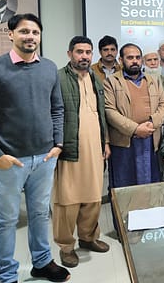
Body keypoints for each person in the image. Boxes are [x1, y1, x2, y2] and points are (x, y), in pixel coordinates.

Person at [0, 13, 70, 283]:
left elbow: (57, 108)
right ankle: (7, 275)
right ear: (11, 34)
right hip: (9, 160)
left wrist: (58, 144)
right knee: (6, 220)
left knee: (39, 213)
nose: (30, 37)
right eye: (24, 31)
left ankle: (42, 262)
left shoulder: (48, 67)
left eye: (35, 32)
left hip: (45, 158)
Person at [54, 36, 111, 268]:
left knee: (93, 197)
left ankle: (88, 238)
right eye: (79, 52)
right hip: (69, 147)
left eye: (88, 52)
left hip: (95, 147)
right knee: (67, 200)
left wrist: (105, 141)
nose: (84, 56)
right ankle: (66, 247)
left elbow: (100, 113)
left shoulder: (96, 78)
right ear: (70, 54)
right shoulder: (58, 78)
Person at [104, 43, 164, 190]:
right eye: (130, 58)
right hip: (124, 141)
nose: (135, 61)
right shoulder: (111, 82)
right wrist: (135, 129)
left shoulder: (153, 80)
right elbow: (109, 111)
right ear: (121, 60)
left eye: (138, 57)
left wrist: (152, 123)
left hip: (150, 139)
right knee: (124, 187)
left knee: (151, 185)